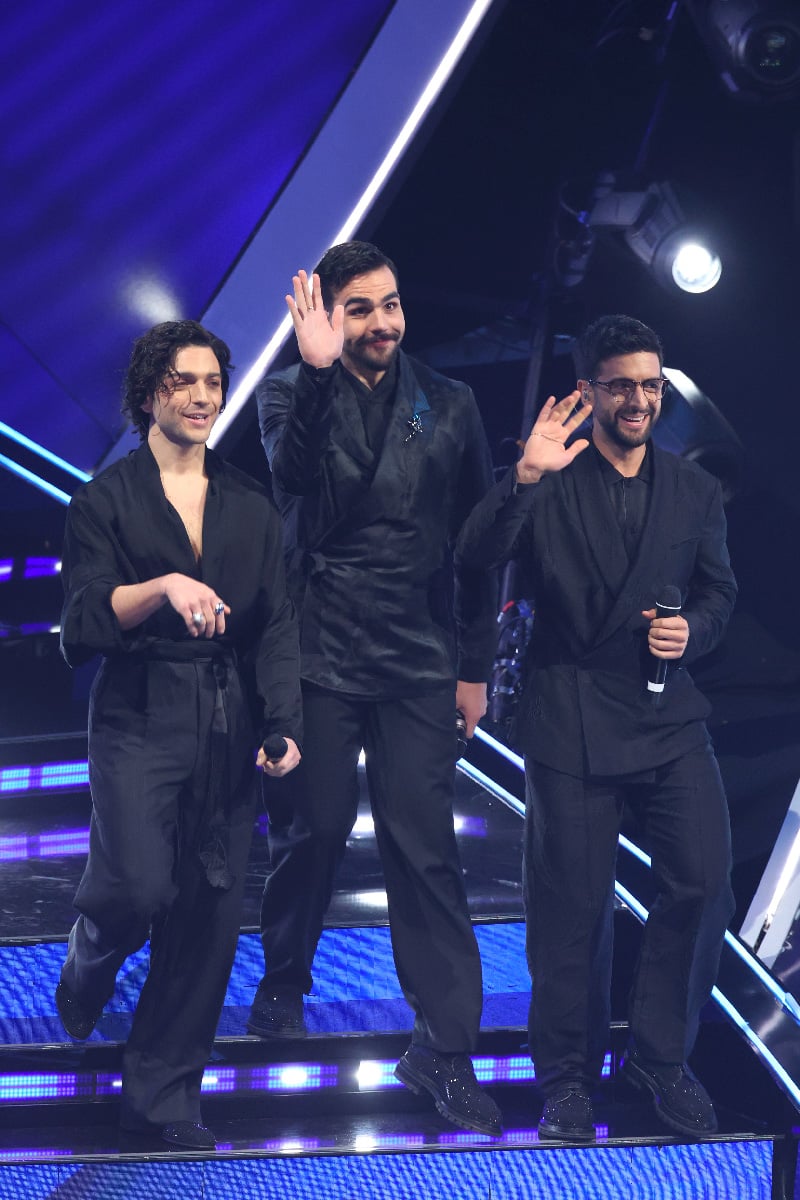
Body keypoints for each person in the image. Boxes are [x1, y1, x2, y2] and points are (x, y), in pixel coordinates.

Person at [455, 314, 737, 1141]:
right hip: (570, 716)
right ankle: (568, 1082)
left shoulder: (693, 489)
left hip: (667, 715)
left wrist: (693, 632)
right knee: (571, 912)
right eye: (622, 386)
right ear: (589, 391)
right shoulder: (553, 474)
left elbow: (719, 593)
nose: (639, 400)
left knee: (703, 881)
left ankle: (660, 1058)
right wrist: (523, 477)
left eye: (651, 384)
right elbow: (474, 556)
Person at [249, 241, 502, 1137]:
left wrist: (475, 664)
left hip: (418, 657)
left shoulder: (450, 402)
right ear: (329, 316)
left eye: (390, 303)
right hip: (319, 649)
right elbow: (296, 486)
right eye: (360, 307)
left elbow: (478, 542)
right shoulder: (288, 394)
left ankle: (446, 1049)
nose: (384, 321)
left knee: (426, 851)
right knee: (313, 829)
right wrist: (318, 376)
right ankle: (285, 978)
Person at [56, 320, 302, 1150]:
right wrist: (163, 585)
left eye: (212, 382)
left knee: (207, 911)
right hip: (139, 709)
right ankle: (90, 956)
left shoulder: (250, 504)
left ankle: (162, 1101)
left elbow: (275, 624)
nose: (201, 397)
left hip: (227, 716)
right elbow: (84, 620)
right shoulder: (105, 501)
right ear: (147, 391)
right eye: (182, 381)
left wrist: (282, 720)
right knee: (136, 886)